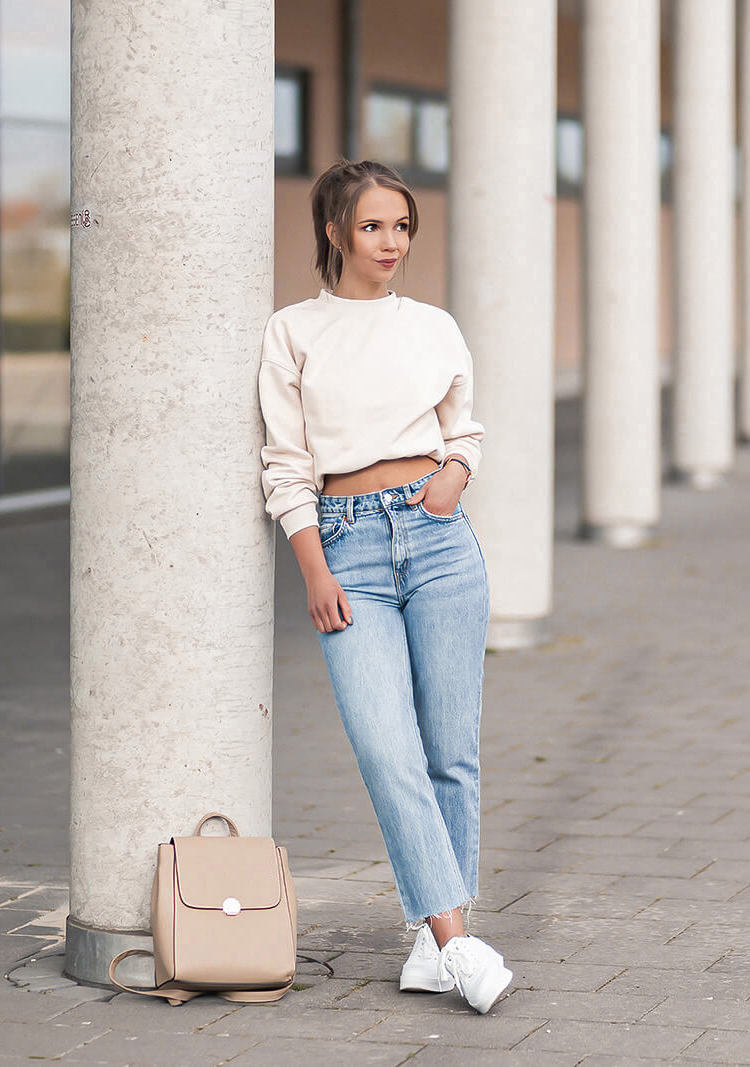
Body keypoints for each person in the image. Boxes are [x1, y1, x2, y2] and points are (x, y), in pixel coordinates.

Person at [257, 159, 512, 1014]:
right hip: (347, 548)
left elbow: (463, 424)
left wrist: (456, 473)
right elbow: (286, 464)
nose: (391, 241)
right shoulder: (293, 331)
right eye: (372, 226)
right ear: (335, 232)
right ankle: (457, 942)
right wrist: (313, 567)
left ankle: (437, 939)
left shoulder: (433, 324)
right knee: (385, 747)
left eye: (401, 225)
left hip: (438, 538)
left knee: (451, 750)